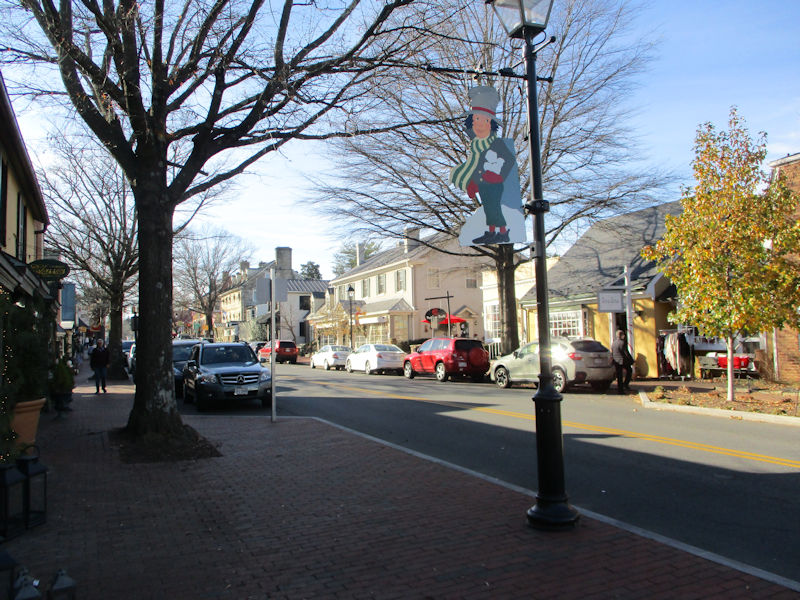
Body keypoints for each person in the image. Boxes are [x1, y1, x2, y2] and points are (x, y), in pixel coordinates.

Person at [450, 86, 516, 245]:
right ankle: (491, 232)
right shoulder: (476, 147)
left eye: (484, 120)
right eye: (476, 120)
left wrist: (499, 176)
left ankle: (502, 232)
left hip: (494, 183)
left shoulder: (496, 144)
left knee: (494, 208)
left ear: (491, 123)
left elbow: (510, 160)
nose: (479, 124)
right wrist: (473, 183)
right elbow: (476, 167)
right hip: (483, 183)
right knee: (488, 209)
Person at [611, 329, 634, 394]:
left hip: (616, 360)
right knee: (629, 370)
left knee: (619, 375)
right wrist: (631, 360)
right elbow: (626, 353)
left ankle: (620, 389)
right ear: (621, 335)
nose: (624, 336)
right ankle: (625, 384)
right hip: (622, 360)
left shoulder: (614, 343)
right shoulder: (622, 343)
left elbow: (612, 352)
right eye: (623, 335)